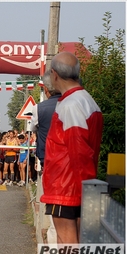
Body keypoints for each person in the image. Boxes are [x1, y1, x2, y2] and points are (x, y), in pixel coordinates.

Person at [40, 51, 103, 244]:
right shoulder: (85, 100)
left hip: (66, 187)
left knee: (68, 245)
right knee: (74, 245)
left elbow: (79, 152)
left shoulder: (71, 104)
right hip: (75, 185)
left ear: (55, 74)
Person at [31, 70, 62, 170]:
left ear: (45, 89)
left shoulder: (38, 108)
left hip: (47, 157)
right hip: (67, 157)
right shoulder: (72, 104)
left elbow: (33, 129)